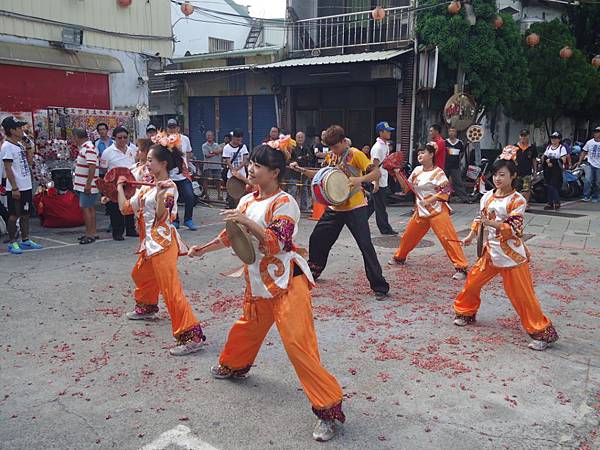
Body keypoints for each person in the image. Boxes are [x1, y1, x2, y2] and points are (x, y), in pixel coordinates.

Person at [188, 140, 345, 442]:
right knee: (247, 327)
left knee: (299, 346)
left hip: (288, 283)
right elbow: (231, 234)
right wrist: (202, 250)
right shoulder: (248, 200)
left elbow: (278, 242)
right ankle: (234, 365)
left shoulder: (286, 203)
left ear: (274, 172)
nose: (251, 169)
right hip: (258, 283)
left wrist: (246, 221)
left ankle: (327, 409)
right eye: (252, 164)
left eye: (258, 165)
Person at [454, 156, 559, 351]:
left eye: (502, 175)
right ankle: (465, 312)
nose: (497, 179)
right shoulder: (487, 196)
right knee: (472, 283)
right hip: (490, 252)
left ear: (513, 176)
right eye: (495, 174)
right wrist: (470, 235)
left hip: (512, 256)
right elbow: (480, 219)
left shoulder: (517, 200)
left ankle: (541, 332)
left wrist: (490, 224)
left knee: (522, 296)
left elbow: (515, 227)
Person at [117, 138, 205, 356]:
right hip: (148, 244)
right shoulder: (148, 184)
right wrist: (119, 186)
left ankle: (191, 336)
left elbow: (161, 216)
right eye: (146, 160)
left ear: (163, 163)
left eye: (150, 160)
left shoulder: (169, 188)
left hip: (163, 244)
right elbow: (125, 208)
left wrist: (158, 194)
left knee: (171, 291)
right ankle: (147, 307)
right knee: (140, 274)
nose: (146, 164)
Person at [290, 125, 390, 299]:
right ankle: (314, 271)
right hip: (335, 207)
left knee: (365, 245)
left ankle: (379, 285)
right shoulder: (331, 156)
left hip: (355, 207)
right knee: (317, 238)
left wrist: (359, 179)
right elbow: (320, 175)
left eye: (335, 146)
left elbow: (376, 174)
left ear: (344, 141)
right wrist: (301, 170)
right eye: (330, 147)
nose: (332, 150)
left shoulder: (355, 154)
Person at [388, 143, 468, 280]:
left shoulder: (438, 172)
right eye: (418, 153)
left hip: (438, 211)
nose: (420, 155)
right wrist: (397, 173)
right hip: (421, 211)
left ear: (431, 155)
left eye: (423, 152)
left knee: (447, 238)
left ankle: (461, 267)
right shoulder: (417, 170)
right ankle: (400, 257)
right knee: (409, 236)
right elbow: (406, 188)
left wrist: (430, 200)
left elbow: (447, 190)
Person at [1, 116, 42, 254]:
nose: (21, 130)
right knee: (14, 215)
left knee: (25, 214)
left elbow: (29, 162)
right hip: (15, 187)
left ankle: (25, 240)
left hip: (26, 185)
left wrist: (28, 146)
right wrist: (14, 188)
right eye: (19, 128)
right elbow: (8, 168)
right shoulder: (7, 147)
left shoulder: (19, 145)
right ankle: (13, 242)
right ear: (12, 130)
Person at [100, 126, 138, 241]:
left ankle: (131, 229)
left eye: (125, 137)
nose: (122, 140)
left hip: (130, 183)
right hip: (115, 184)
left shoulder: (133, 150)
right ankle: (117, 232)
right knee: (116, 209)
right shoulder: (107, 152)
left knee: (131, 204)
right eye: (119, 138)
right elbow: (103, 170)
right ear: (114, 138)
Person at [366, 121, 398, 235]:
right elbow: (374, 166)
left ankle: (358, 220)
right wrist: (376, 182)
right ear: (380, 132)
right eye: (387, 131)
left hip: (382, 178)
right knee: (380, 206)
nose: (389, 133)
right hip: (378, 180)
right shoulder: (378, 147)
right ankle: (385, 229)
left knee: (372, 205)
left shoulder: (385, 145)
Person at [167, 119, 197, 230]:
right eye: (170, 127)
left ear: (178, 128)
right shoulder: (165, 141)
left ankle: (188, 219)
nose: (172, 129)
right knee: (171, 199)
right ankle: (175, 220)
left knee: (190, 196)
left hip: (183, 174)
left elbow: (189, 153)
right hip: (170, 175)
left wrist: (188, 165)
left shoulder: (185, 139)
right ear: (167, 129)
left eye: (174, 127)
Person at [72, 128, 99, 245]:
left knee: (86, 208)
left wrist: (88, 184)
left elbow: (92, 167)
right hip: (84, 184)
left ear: (76, 137)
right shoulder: (86, 148)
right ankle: (92, 232)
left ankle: (90, 234)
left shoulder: (88, 148)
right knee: (90, 208)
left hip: (87, 185)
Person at [222, 128, 249, 208]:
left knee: (242, 192)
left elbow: (245, 159)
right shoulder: (227, 148)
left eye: (240, 140)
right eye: (237, 139)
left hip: (242, 174)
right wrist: (233, 169)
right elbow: (227, 161)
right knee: (232, 193)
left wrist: (238, 168)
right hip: (231, 175)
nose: (238, 142)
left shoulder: (243, 146)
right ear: (233, 138)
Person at [288, 131, 314, 212]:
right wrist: (299, 159)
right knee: (293, 189)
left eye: (301, 137)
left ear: (304, 138)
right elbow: (290, 159)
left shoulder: (307, 147)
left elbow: (310, 158)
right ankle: (292, 208)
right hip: (294, 172)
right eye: (298, 137)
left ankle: (304, 207)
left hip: (304, 171)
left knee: (304, 189)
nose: (300, 139)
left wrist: (300, 158)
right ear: (295, 138)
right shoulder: (292, 147)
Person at [542, 132, 567, 211]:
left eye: (555, 138)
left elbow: (563, 159)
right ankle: (550, 202)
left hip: (556, 169)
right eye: (552, 138)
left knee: (554, 185)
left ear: (559, 139)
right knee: (549, 185)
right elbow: (544, 156)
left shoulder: (561, 148)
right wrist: (547, 161)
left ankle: (556, 202)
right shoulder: (549, 147)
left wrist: (552, 161)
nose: (553, 139)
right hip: (548, 169)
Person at [513, 129, 537, 208]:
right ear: (519, 136)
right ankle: (515, 204)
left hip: (527, 172)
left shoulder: (532, 147)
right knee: (515, 188)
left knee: (527, 189)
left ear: (528, 136)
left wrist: (535, 171)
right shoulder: (514, 147)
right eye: (522, 136)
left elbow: (534, 160)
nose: (523, 138)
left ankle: (525, 203)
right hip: (516, 172)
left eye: (525, 136)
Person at [444, 127, 469, 202]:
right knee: (444, 182)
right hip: (446, 165)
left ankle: (465, 198)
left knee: (458, 182)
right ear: (448, 133)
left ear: (456, 133)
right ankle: (444, 198)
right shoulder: (445, 142)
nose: (452, 133)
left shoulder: (459, 143)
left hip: (456, 166)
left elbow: (461, 153)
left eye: (453, 131)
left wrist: (459, 161)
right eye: (450, 131)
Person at [580, 126, 600, 203]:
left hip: (599, 165)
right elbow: (584, 151)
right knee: (588, 180)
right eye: (595, 132)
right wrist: (580, 161)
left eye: (598, 132)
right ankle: (586, 196)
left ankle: (595, 196)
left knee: (597, 182)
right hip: (590, 163)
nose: (597, 133)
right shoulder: (589, 142)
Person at [202, 130, 222, 201]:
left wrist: (211, 152)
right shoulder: (204, 145)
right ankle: (207, 195)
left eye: (210, 135)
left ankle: (219, 195)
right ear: (206, 137)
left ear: (213, 136)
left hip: (217, 166)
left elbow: (220, 151)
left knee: (218, 181)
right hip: (208, 166)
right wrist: (215, 152)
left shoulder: (217, 145)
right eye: (208, 136)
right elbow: (207, 155)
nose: (209, 137)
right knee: (206, 181)